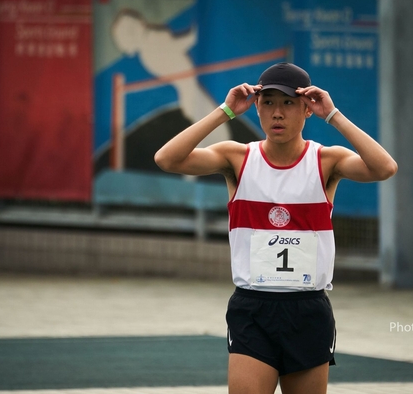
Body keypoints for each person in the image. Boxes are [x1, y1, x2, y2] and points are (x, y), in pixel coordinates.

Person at [154, 62, 397, 394]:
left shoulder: (327, 161)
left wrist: (333, 114)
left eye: (287, 103)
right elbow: (166, 159)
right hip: (252, 309)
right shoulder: (237, 158)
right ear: (256, 107)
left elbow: (385, 167)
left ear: (307, 108)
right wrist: (225, 111)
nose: (277, 113)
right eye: (267, 102)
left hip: (308, 309)